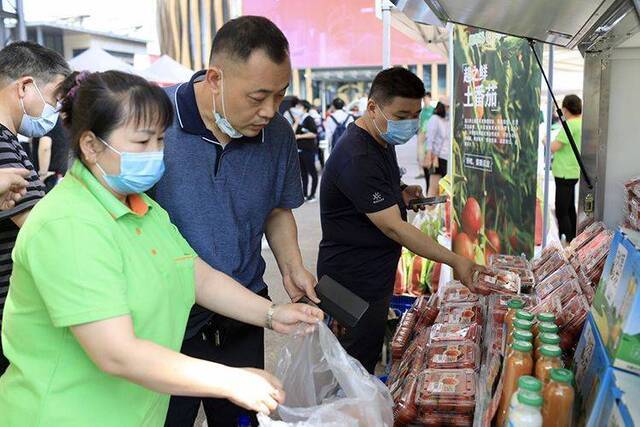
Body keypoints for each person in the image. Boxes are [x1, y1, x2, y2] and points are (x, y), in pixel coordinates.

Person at [0, 69, 324, 427]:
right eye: (142, 143)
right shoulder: (68, 224)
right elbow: (116, 353)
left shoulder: (142, 207)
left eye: (160, 141)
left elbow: (196, 276)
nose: (155, 154)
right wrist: (229, 379)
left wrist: (271, 313)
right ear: (91, 145)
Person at [149, 16, 321, 426]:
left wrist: (293, 266)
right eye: (258, 96)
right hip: (169, 320)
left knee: (243, 419)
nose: (270, 111)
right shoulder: (154, 124)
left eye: (280, 96)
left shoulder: (277, 133)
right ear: (215, 78)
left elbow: (278, 208)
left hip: (243, 312)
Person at [317, 67, 480, 373]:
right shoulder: (358, 155)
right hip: (350, 282)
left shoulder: (381, 141)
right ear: (372, 107)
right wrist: (455, 260)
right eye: (401, 115)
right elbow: (394, 227)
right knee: (351, 368)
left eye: (415, 115)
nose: (409, 124)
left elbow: (372, 192)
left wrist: (401, 192)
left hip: (372, 277)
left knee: (363, 357)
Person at [0, 41, 70, 374]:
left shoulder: (10, 140)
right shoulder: (1, 143)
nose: (55, 108)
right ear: (25, 86)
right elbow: (43, 231)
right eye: (55, 97)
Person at [550, 94, 583, 243]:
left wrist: (546, 140)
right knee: (569, 207)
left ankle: (569, 241)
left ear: (565, 108)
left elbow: (554, 146)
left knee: (561, 210)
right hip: (573, 171)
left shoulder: (570, 124)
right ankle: (575, 238)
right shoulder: (581, 123)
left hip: (564, 172)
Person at [32, 116, 72, 192]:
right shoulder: (65, 123)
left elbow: (45, 147)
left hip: (48, 177)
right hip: (60, 176)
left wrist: (42, 175)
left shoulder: (48, 120)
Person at [423, 100, 450, 196]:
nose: (449, 109)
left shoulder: (448, 120)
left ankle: (436, 209)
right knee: (434, 186)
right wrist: (430, 155)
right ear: (442, 107)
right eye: (447, 107)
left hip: (446, 157)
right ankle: (429, 209)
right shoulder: (434, 119)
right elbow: (430, 138)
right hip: (437, 158)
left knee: (444, 188)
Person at [294, 100, 319, 202]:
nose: (297, 109)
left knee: (312, 172)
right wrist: (296, 122)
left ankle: (312, 194)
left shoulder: (309, 119)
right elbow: (292, 132)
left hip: (308, 150)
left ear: (304, 108)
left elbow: (314, 133)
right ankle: (304, 194)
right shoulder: (299, 119)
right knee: (303, 173)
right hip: (299, 150)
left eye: (298, 106)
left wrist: (299, 136)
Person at [416, 92, 433, 180]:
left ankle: (429, 171)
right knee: (419, 154)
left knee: (428, 152)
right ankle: (421, 172)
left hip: (430, 135)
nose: (425, 100)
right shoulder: (422, 111)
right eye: (424, 99)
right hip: (421, 134)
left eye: (427, 98)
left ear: (430, 99)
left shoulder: (433, 111)